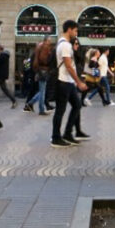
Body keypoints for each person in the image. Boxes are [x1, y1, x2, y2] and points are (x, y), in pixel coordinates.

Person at [51, 19, 88, 148]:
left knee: (77, 105)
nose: (76, 33)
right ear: (69, 30)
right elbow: (68, 66)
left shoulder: (65, 44)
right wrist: (79, 82)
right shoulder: (65, 45)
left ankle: (67, 133)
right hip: (63, 81)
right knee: (60, 111)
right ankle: (56, 137)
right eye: (76, 30)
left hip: (68, 81)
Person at [25, 37, 53, 115]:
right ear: (45, 41)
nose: (50, 42)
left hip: (39, 70)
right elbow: (44, 60)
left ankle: (30, 103)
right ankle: (40, 109)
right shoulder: (44, 47)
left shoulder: (38, 48)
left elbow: (33, 61)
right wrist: (49, 58)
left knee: (42, 90)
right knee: (42, 91)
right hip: (43, 70)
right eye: (49, 41)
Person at [0, 44, 17, 108]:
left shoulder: (2, 55)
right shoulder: (5, 55)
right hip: (2, 76)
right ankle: (13, 100)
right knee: (4, 89)